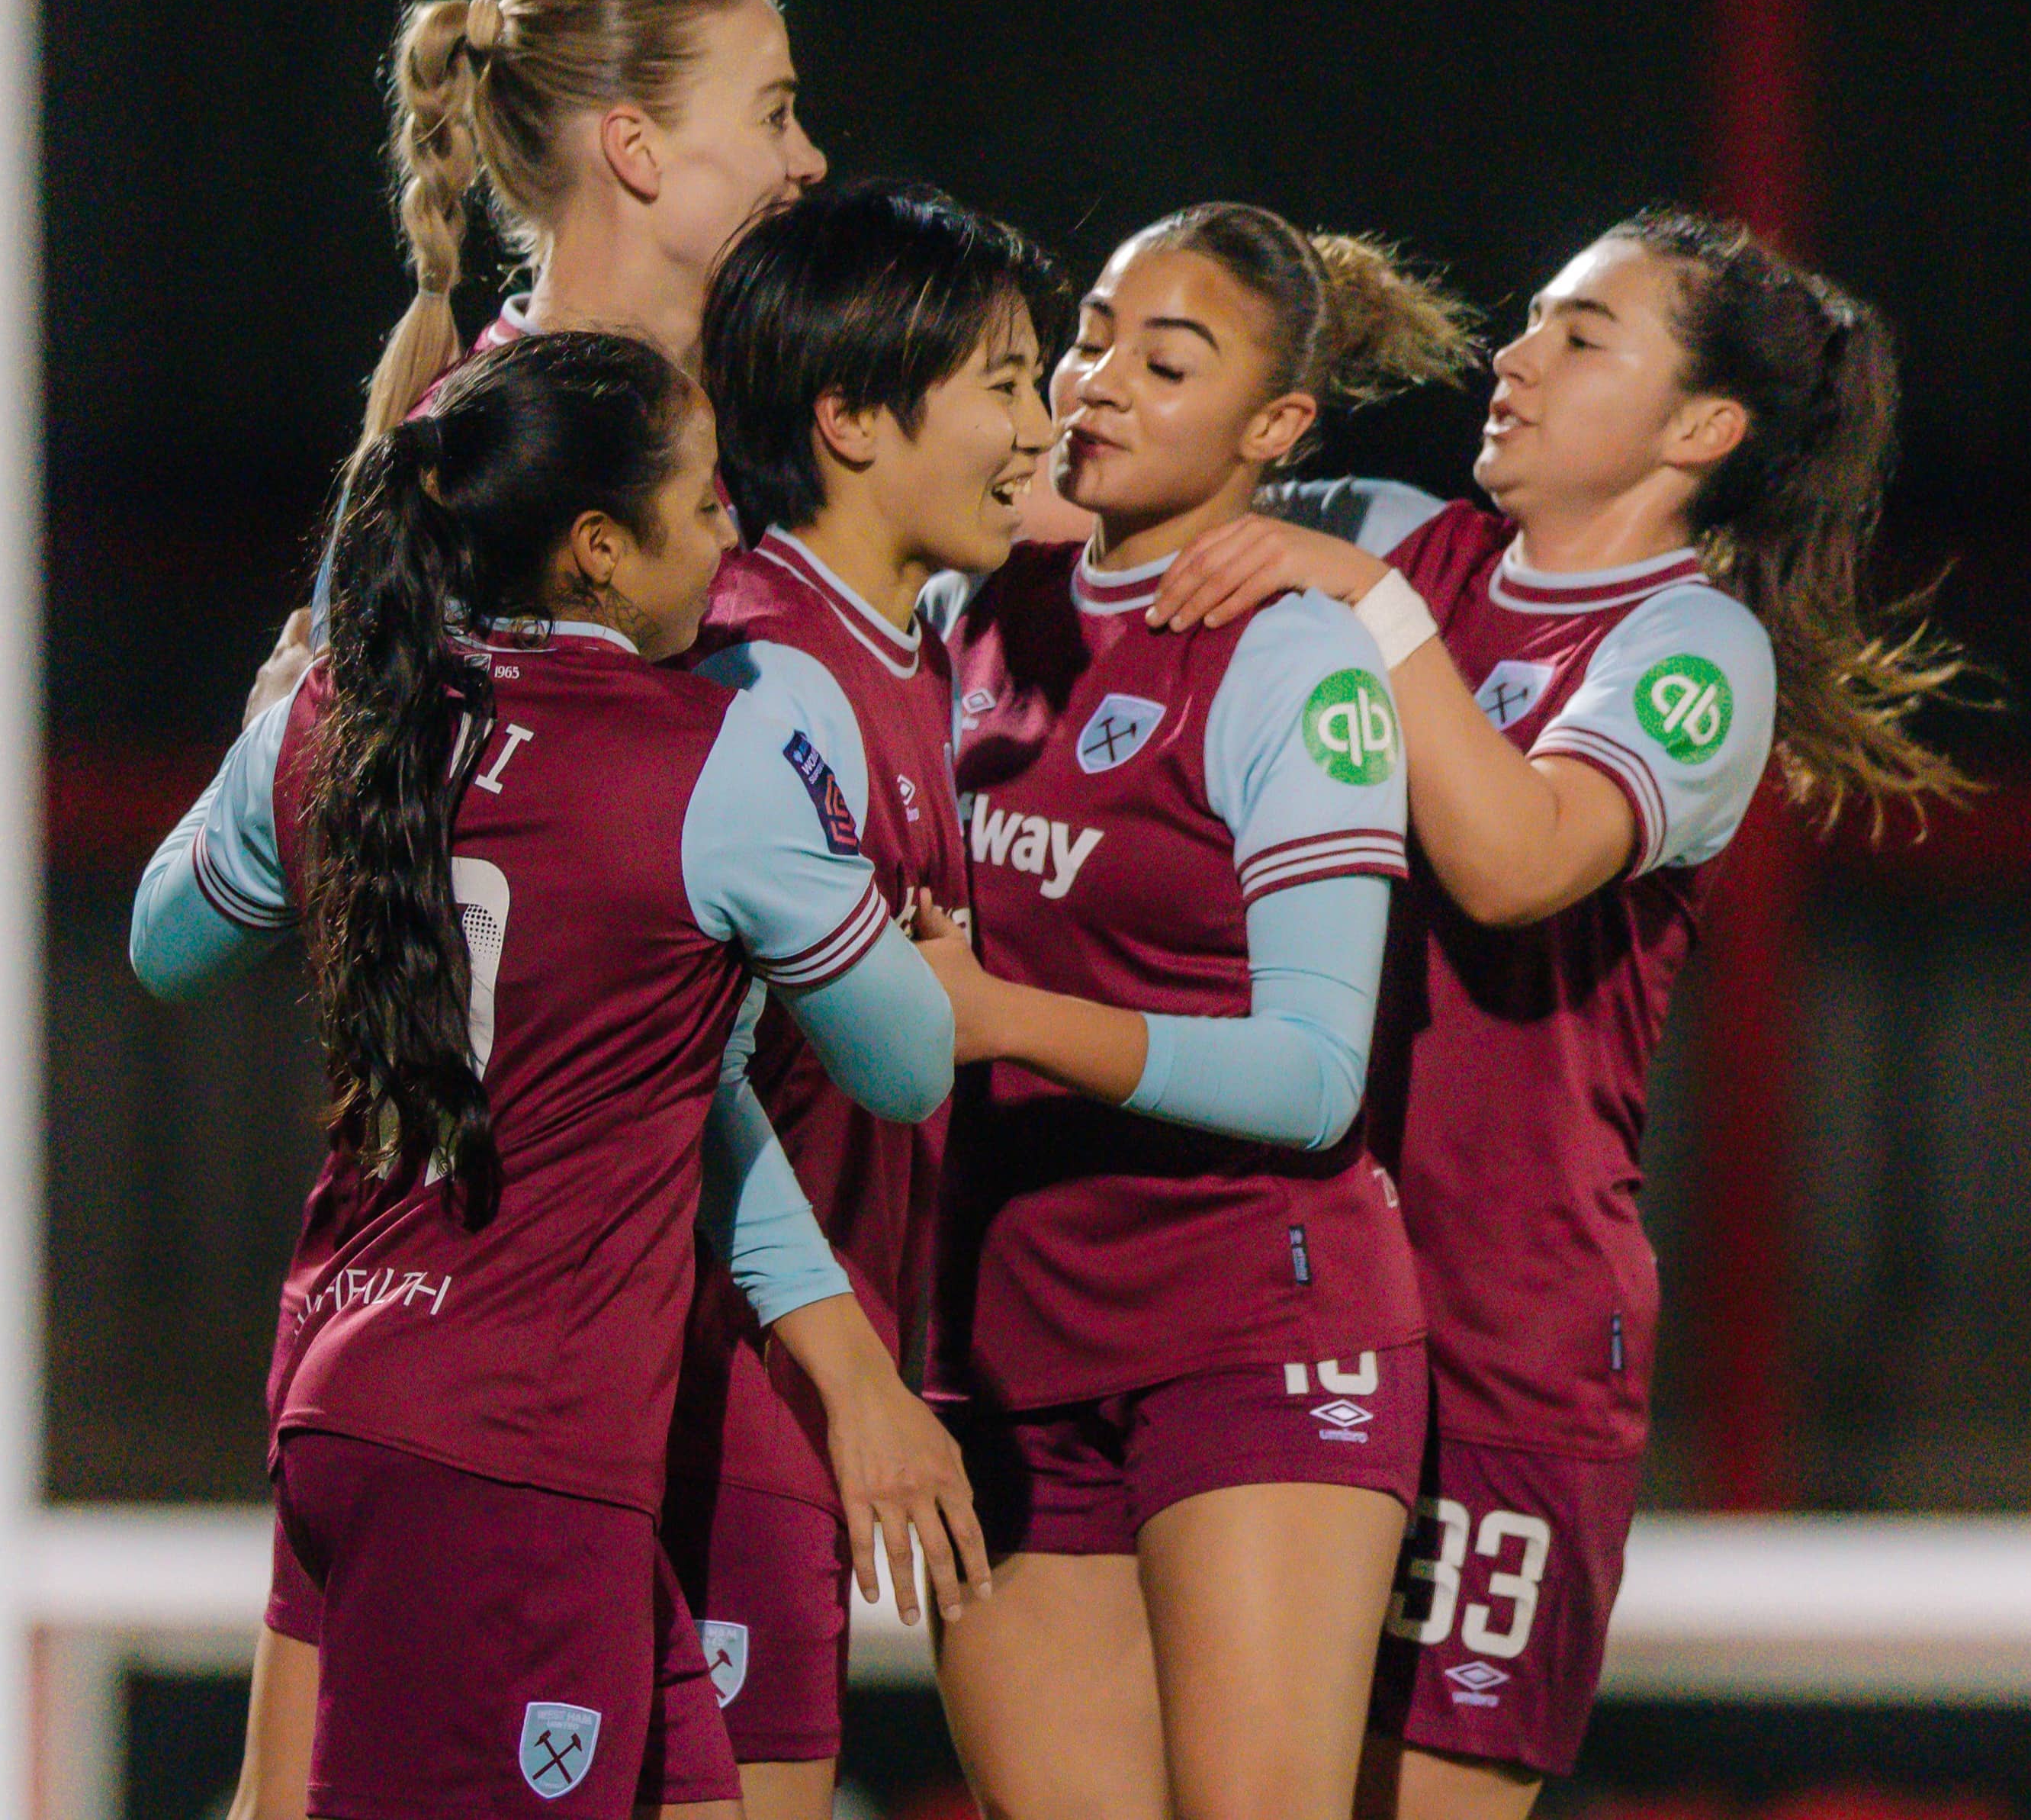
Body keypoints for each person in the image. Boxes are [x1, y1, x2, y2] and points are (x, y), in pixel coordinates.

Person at [1142, 209, 1979, 1820]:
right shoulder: (1391, 535)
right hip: (1264, 1301)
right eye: (1526, 319)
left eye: (1577, 336)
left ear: (1697, 431)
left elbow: (1513, 858)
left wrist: (1363, 615)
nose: (1513, 361)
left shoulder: (1687, 651)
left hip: (1492, 1332)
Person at [130, 332, 972, 1820]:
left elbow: (163, 942)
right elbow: (905, 1065)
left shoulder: (341, 719)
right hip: (509, 1461)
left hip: (366, 1396)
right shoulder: (708, 759)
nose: (732, 533)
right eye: (706, 503)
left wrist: (263, 724)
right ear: (596, 547)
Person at [910, 202, 1476, 1820]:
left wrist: (997, 1015)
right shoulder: (970, 611)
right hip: (1001, 1335)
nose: (1094, 382)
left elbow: (1309, 1078)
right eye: (1088, 335)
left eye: (1165, 362)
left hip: (1255, 1332)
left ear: (1273, 427)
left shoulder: (1289, 658)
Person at [667, 176, 1062, 1820]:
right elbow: (665, 1067)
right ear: (846, 417)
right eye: (1004, 383)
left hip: (783, 1371)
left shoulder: (896, 651)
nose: (1040, 430)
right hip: (716, 1373)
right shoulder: (760, 670)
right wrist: (853, 1377)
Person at [257, 0, 830, 715]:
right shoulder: (472, 462)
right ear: (635, 148)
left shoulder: (763, 412)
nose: (809, 158)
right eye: (774, 114)